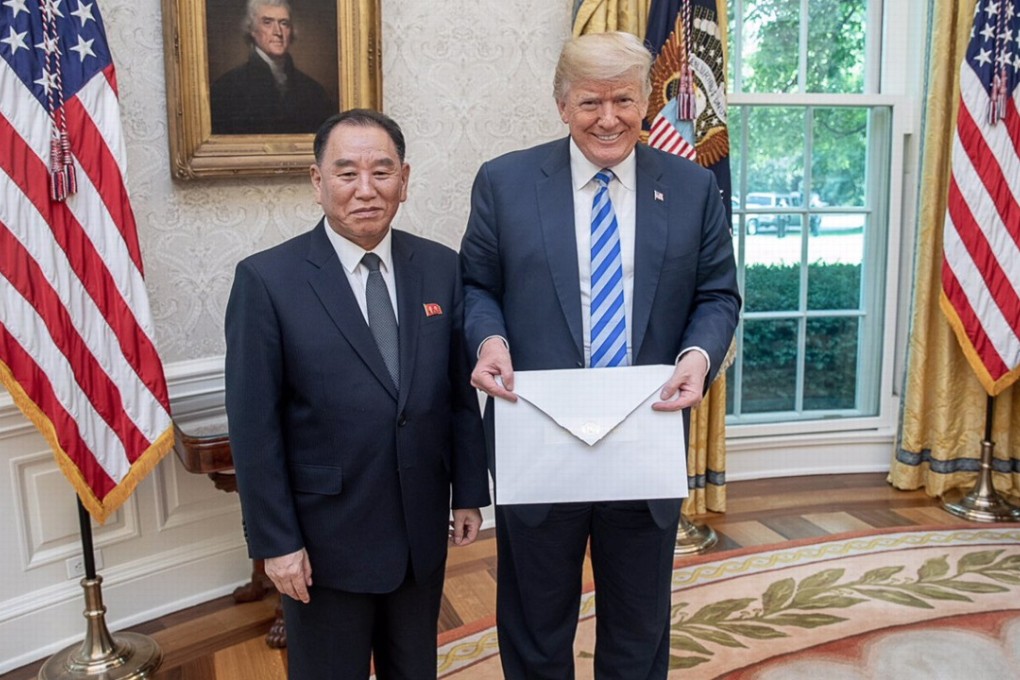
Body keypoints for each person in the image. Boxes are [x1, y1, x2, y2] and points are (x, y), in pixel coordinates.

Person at [460, 32, 741, 679]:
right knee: (534, 625)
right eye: (590, 102)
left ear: (647, 100)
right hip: (539, 443)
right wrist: (490, 340)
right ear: (562, 104)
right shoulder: (504, 184)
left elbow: (717, 294)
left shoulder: (693, 188)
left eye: (623, 99)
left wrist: (698, 355)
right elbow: (477, 286)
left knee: (639, 628)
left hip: (646, 442)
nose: (608, 117)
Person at [225, 109, 490, 679]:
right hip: (324, 546)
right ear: (318, 182)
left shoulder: (441, 266)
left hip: (421, 535)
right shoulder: (267, 281)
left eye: (382, 172)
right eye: (347, 174)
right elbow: (254, 428)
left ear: (405, 179)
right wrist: (276, 543)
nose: (366, 190)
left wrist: (468, 491)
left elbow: (457, 395)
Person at [210, 0, 336, 135]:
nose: (278, 32)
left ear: (291, 30)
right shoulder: (226, 88)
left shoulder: (314, 91)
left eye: (284, 23)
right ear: (252, 29)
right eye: (267, 22)